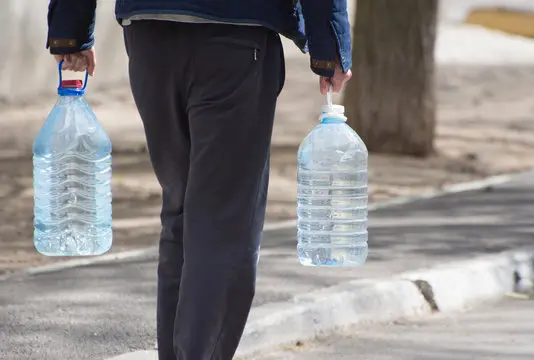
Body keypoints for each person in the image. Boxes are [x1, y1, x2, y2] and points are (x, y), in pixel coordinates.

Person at [46, 1, 352, 359]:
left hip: (151, 34)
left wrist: (69, 29)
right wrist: (330, 46)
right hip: (235, 35)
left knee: (181, 209)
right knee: (221, 224)